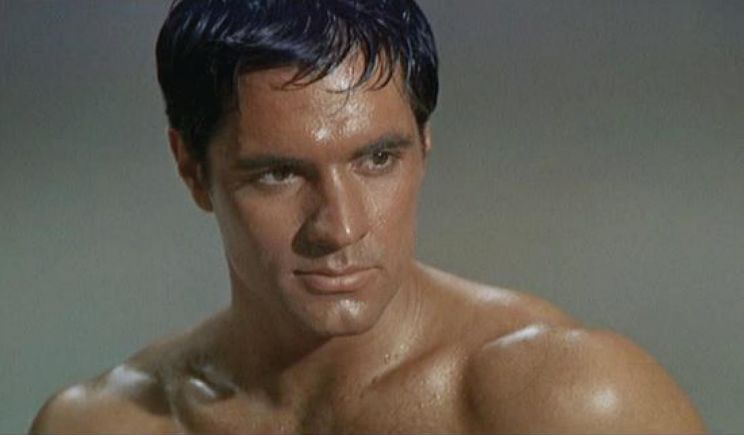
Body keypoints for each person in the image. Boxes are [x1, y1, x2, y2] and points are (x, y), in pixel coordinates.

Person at [30, 0, 704, 432]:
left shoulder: (567, 402)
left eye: (378, 158)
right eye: (278, 173)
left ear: (424, 144)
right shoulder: (107, 424)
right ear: (190, 168)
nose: (340, 226)